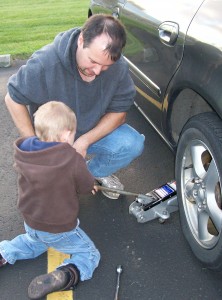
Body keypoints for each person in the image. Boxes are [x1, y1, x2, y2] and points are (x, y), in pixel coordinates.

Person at [5, 14, 145, 199]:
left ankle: (88, 174)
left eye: (105, 66)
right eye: (93, 61)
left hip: (91, 133)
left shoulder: (118, 67)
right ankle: (60, 177)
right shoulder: (46, 62)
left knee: (132, 143)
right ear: (81, 40)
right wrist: (34, 144)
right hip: (53, 138)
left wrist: (84, 141)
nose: (96, 71)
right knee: (47, 201)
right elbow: (13, 98)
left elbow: (119, 113)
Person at [0, 101, 100, 299]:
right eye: (73, 134)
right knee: (89, 253)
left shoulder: (25, 151)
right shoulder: (71, 158)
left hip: (31, 221)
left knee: (33, 242)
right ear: (65, 135)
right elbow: (85, 185)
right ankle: (67, 273)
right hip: (58, 228)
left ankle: (3, 253)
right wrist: (91, 187)